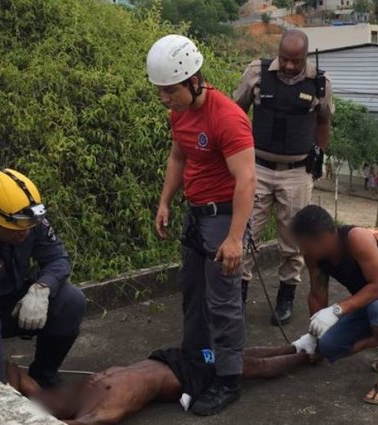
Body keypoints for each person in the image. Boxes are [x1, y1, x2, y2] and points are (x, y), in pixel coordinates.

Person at [147, 35, 256, 415]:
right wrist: (165, 201)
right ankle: (200, 357)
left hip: (224, 218)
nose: (165, 99)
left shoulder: (227, 118)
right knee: (192, 293)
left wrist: (235, 238)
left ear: (194, 81)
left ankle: (228, 378)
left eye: (170, 91)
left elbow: (247, 180)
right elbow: (178, 156)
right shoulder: (179, 113)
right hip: (196, 215)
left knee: (224, 303)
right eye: (160, 92)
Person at [234, 29, 334, 326]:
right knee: (243, 233)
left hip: (297, 173)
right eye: (285, 58)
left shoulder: (319, 82)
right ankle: (236, 296)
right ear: (278, 52)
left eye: (297, 60)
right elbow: (236, 113)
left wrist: (319, 154)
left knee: (293, 241)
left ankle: (286, 298)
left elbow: (324, 120)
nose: (290, 65)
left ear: (306, 56)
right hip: (257, 168)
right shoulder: (257, 72)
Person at [290, 205, 378, 405]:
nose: (303, 250)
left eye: (305, 245)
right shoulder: (314, 256)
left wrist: (337, 310)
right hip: (370, 304)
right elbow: (317, 294)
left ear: (321, 237)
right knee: (328, 347)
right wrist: (314, 336)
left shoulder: (356, 238)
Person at [0, 169, 86, 387]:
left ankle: (43, 376)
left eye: (28, 226)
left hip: (16, 301)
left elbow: (58, 259)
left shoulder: (28, 218)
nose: (24, 233)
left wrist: (42, 288)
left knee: (72, 301)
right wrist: (1, 390)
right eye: (15, 228)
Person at [6, 344, 313, 425]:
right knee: (245, 362)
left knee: (243, 358)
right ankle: (304, 353)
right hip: (181, 369)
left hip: (174, 360)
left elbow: (19, 377)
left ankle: (302, 352)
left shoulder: (81, 403)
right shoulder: (95, 406)